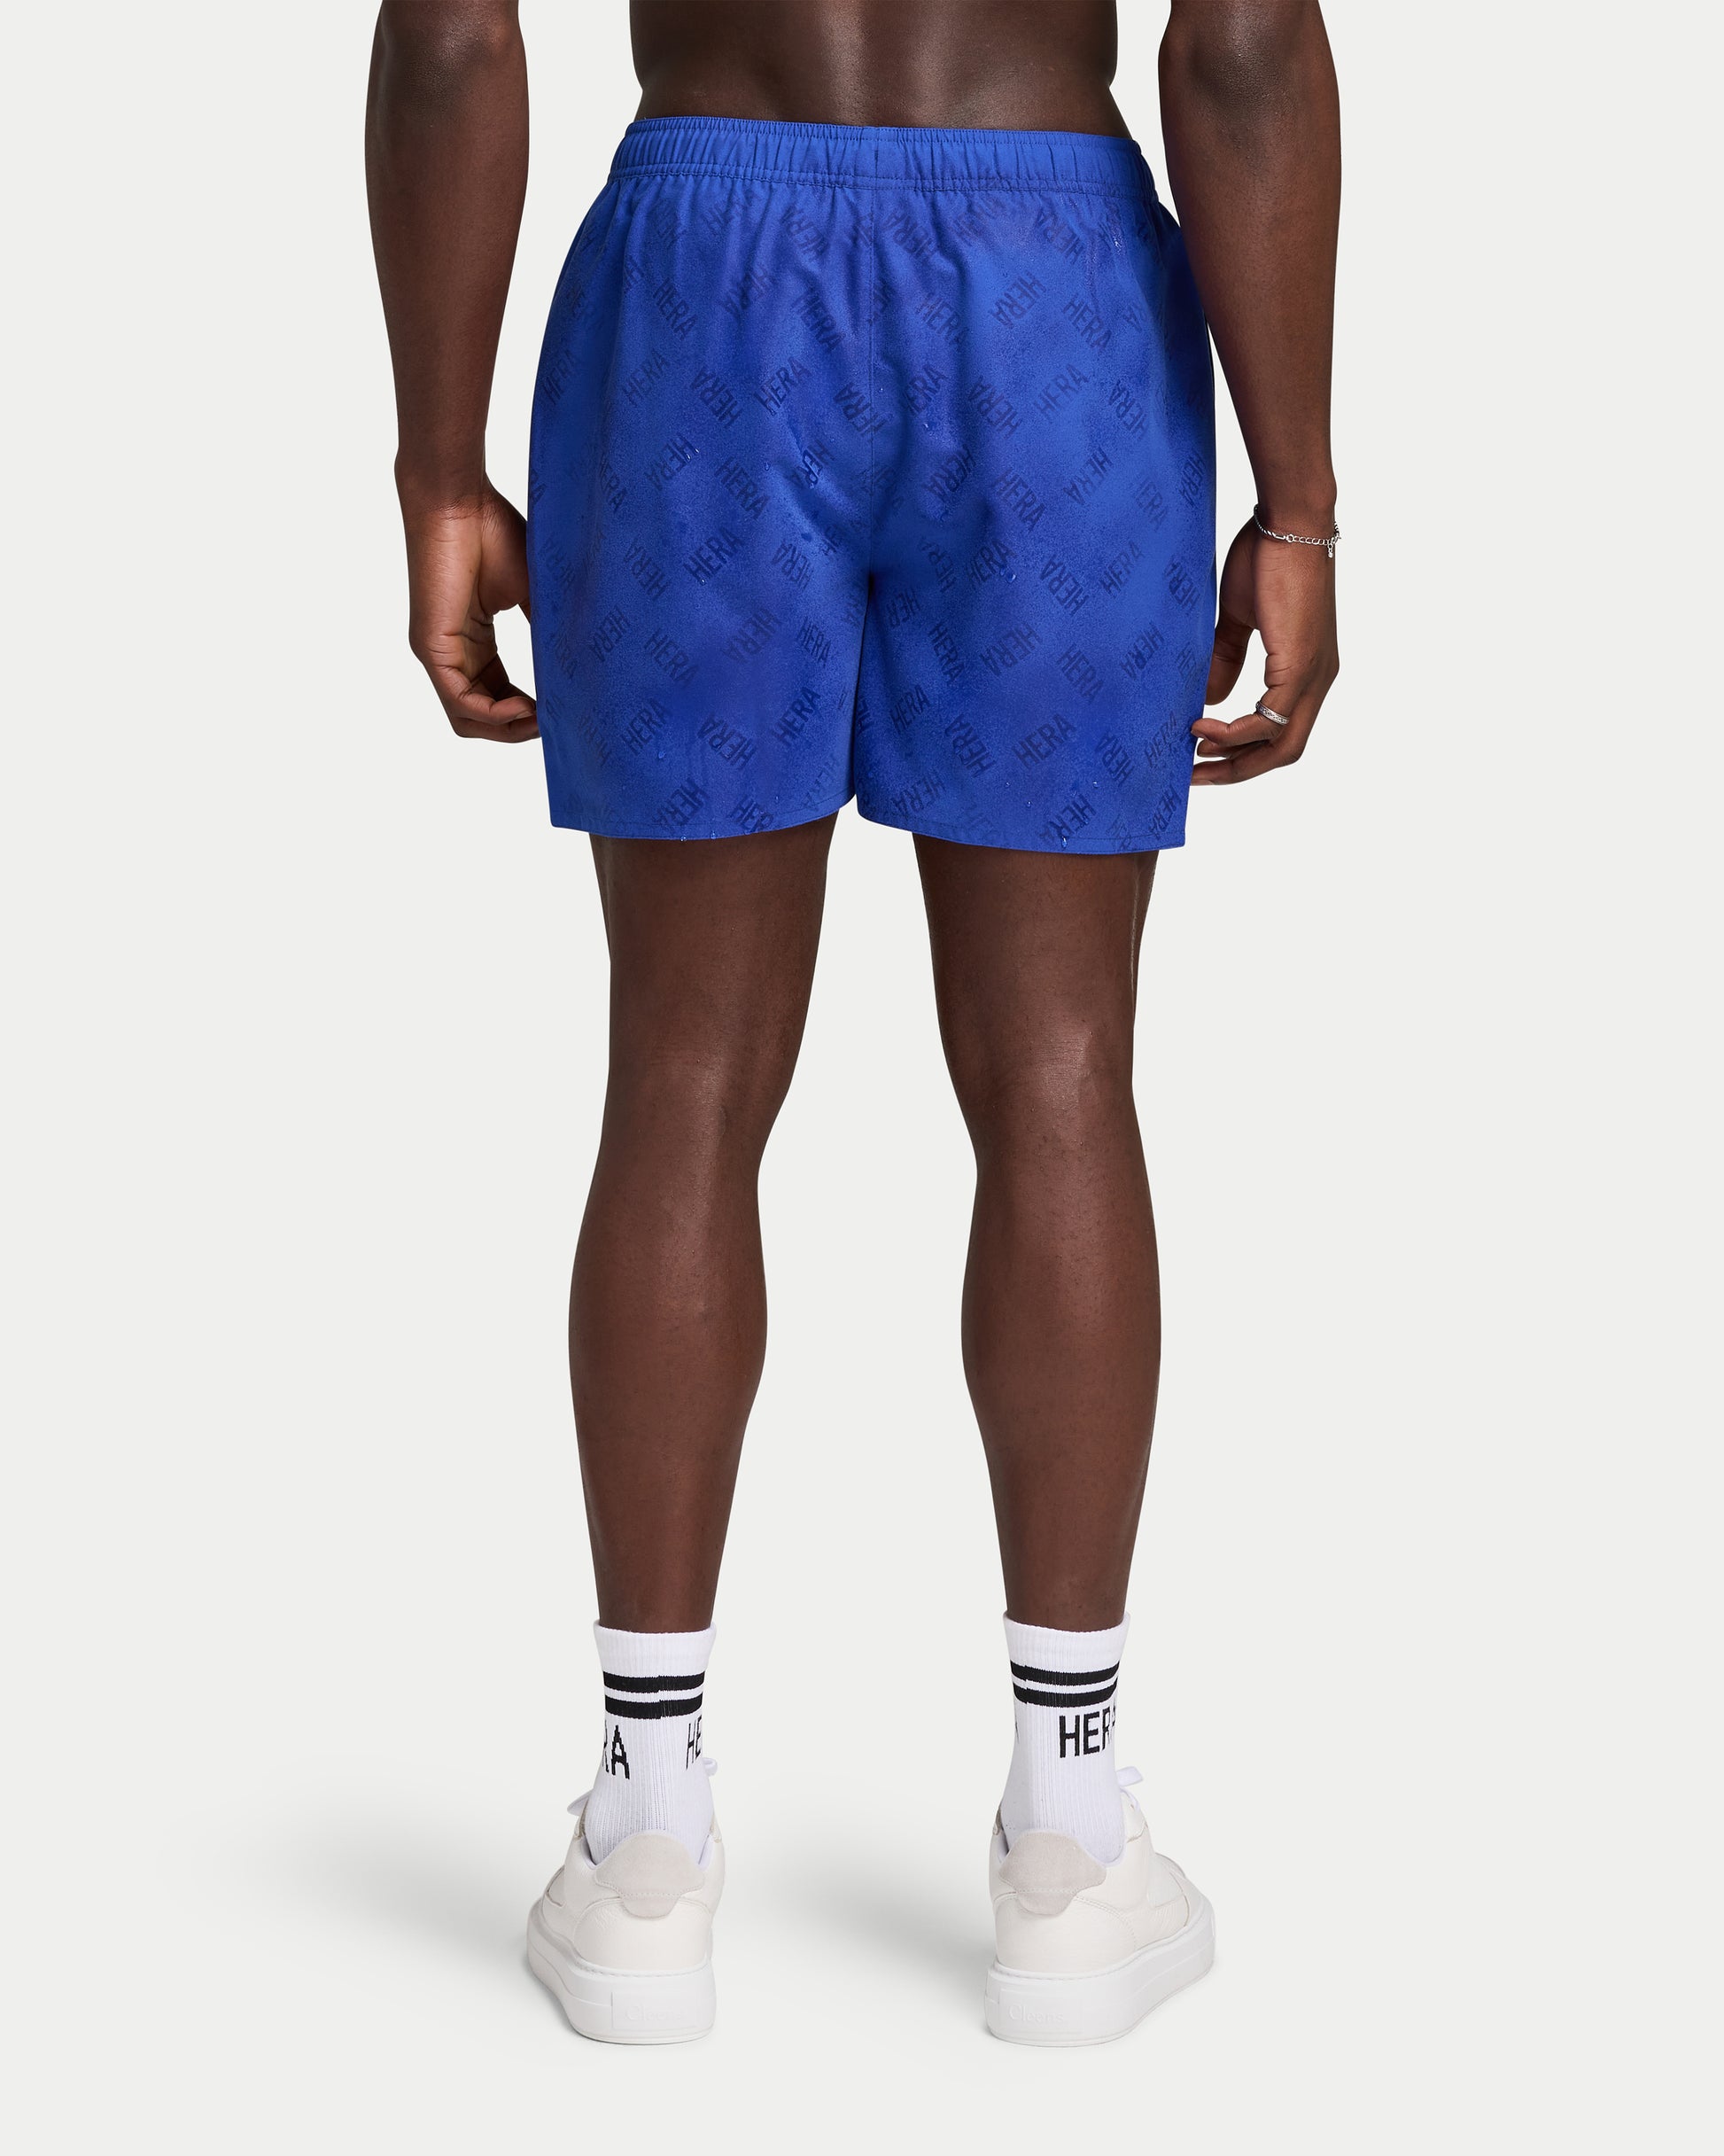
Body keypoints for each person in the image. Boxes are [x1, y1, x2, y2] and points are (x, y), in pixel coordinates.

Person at [365, 0, 1340, 2046]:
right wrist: (1300, 501)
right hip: (1050, 290)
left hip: (701, 293)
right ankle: (1068, 1835)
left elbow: (452, 38)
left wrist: (437, 470)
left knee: (679, 1079)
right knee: (1061, 1074)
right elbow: (1242, 45)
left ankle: (645, 1840)